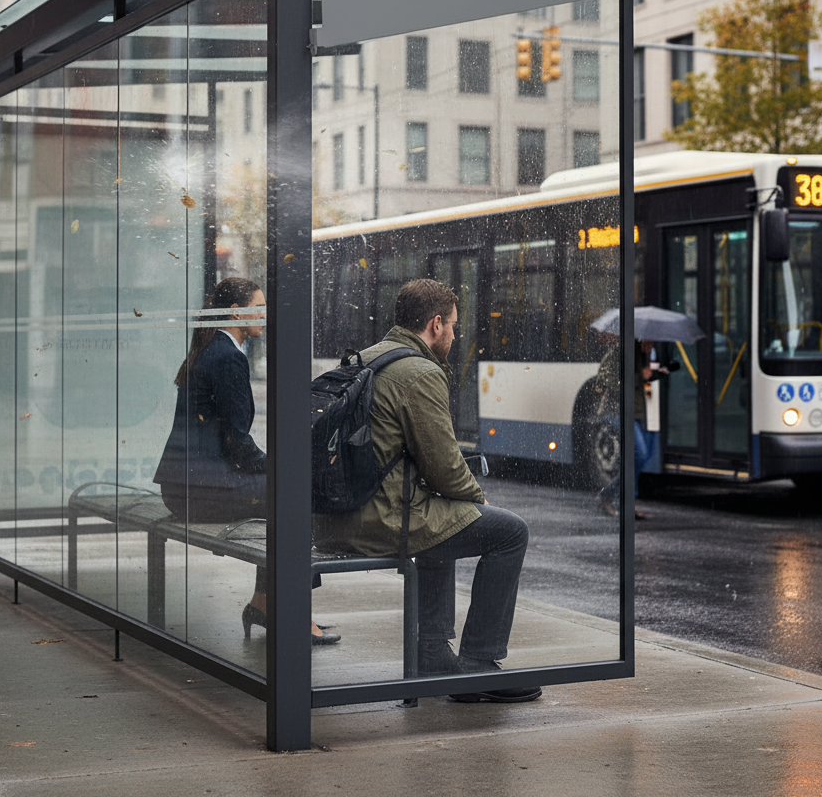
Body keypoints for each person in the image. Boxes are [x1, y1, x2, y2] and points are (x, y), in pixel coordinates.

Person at [315, 278, 541, 703]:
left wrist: (458, 498)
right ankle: (479, 664)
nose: (456, 336)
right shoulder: (419, 373)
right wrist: (477, 497)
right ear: (435, 324)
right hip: (378, 519)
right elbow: (444, 467)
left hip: (337, 513)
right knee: (510, 532)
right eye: (454, 326)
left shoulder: (368, 357)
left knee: (445, 518)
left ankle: (433, 653)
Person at [154, 277, 339, 645]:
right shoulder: (228, 358)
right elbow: (238, 445)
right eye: (259, 305)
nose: (265, 313)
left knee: (280, 496)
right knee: (295, 497)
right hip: (200, 490)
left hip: (184, 488)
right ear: (237, 312)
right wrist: (280, 469)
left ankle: (263, 602)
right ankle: (291, 612)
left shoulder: (213, 350)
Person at [595, 338, 662, 520]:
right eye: (651, 341)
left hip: (635, 413)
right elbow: (605, 377)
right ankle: (610, 495)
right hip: (616, 412)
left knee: (636, 458)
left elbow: (641, 383)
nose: (653, 345)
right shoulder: (621, 349)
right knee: (638, 455)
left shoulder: (644, 355)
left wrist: (656, 373)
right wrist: (641, 375)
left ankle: (624, 502)